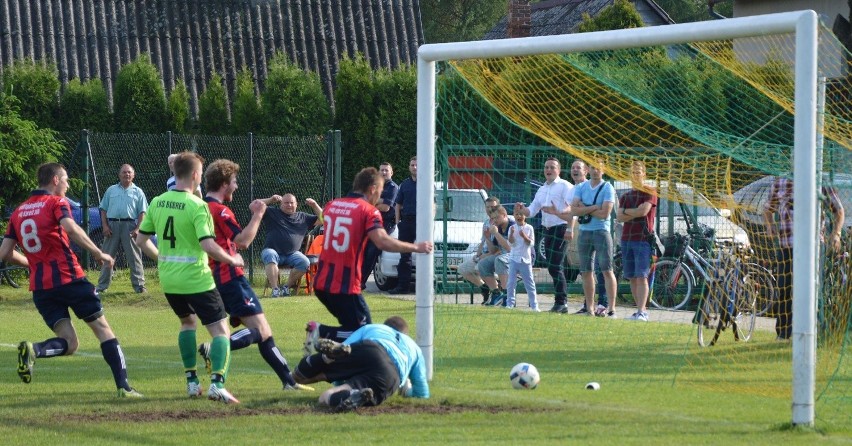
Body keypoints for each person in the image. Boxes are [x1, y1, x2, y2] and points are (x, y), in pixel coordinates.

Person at [0, 163, 142, 397]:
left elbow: (5, 253)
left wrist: (31, 263)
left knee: (70, 343)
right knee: (103, 330)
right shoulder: (56, 203)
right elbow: (71, 228)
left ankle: (34, 350)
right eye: (65, 179)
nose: (67, 185)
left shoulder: (18, 212)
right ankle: (124, 388)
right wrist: (98, 253)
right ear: (55, 180)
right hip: (70, 279)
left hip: (42, 288)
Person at [135, 151, 245, 404]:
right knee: (221, 331)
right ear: (196, 175)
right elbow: (208, 245)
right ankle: (217, 384)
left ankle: (192, 382)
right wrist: (232, 259)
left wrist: (162, 257)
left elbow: (141, 240)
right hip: (196, 278)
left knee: (187, 324)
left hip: (170, 279)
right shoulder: (198, 206)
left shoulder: (158, 201)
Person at [196, 159, 313, 392]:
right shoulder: (219, 210)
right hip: (230, 277)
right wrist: (258, 214)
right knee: (260, 331)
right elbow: (243, 241)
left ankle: (288, 382)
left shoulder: (199, 207)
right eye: (234, 181)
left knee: (264, 331)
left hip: (208, 277)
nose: (236, 186)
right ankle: (217, 348)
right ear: (224, 183)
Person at [304, 167, 433, 352]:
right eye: (379, 192)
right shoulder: (368, 211)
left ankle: (332, 355)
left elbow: (325, 218)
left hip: (323, 283)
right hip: (345, 285)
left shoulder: (333, 205)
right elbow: (382, 241)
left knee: (352, 331)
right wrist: (416, 247)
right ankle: (319, 332)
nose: (378, 197)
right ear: (372, 189)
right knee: (365, 332)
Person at [763, 176, 844, 340]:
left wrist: (836, 233)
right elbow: (767, 208)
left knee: (812, 289)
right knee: (784, 288)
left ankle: (812, 331)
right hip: (787, 246)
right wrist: (770, 225)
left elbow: (839, 211)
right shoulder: (780, 182)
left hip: (812, 246)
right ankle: (784, 334)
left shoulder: (820, 181)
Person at [294, 316, 429, 412]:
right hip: (392, 375)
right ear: (405, 334)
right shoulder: (415, 348)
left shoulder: (374, 328)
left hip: (371, 347)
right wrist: (406, 391)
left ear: (386, 326)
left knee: (343, 353)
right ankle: (351, 393)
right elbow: (422, 392)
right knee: (325, 397)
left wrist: (337, 377)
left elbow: (349, 346)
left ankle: (326, 357)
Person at [514, 157, 574, 313]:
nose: (548, 170)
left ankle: (562, 302)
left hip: (561, 228)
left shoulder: (565, 186)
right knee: (552, 266)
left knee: (555, 266)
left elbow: (573, 209)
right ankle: (561, 303)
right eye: (546, 167)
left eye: (552, 167)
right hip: (547, 230)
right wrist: (522, 209)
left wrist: (568, 226)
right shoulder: (542, 189)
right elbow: (531, 211)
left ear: (559, 170)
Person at [569, 158, 618, 318]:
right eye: (593, 167)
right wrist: (594, 207)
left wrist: (585, 208)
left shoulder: (608, 187)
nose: (595, 170)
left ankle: (611, 308)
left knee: (606, 270)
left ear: (603, 170)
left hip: (601, 232)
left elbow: (605, 214)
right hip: (584, 232)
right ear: (588, 170)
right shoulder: (582, 187)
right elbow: (574, 210)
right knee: (585, 271)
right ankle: (589, 308)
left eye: (599, 167)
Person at [259, 193, 323, 297]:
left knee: (304, 261)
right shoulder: (272, 213)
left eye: (291, 203)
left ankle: (286, 288)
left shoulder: (303, 217)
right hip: (272, 250)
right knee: (270, 255)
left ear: (296, 204)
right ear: (281, 204)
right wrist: (270, 199)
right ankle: (275, 289)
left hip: (292, 254)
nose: (289, 205)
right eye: (286, 203)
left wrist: (315, 205)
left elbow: (324, 219)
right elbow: (254, 205)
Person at [96, 164, 148, 294]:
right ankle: (102, 287)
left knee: (134, 257)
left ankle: (139, 286)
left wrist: (138, 229)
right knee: (107, 256)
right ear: (119, 174)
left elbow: (143, 212)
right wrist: (105, 225)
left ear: (133, 175)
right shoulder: (111, 190)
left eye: (129, 172)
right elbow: (103, 209)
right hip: (112, 226)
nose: (127, 174)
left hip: (130, 227)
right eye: (124, 172)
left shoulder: (138, 192)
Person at [616, 161, 657, 321]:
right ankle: (638, 310)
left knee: (642, 276)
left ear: (644, 174)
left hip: (643, 240)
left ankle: (642, 311)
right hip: (626, 239)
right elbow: (619, 216)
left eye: (638, 172)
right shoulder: (626, 196)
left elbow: (644, 211)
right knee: (632, 277)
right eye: (633, 172)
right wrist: (633, 212)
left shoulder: (650, 192)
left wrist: (627, 212)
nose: (635, 175)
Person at [360, 162, 399, 290]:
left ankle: (361, 282)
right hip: (370, 222)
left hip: (385, 224)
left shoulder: (393, 187)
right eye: (381, 170)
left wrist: (374, 202)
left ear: (391, 173)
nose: (383, 172)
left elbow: (386, 207)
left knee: (371, 252)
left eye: (386, 170)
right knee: (362, 251)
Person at [457, 196, 502, 304]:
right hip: (484, 254)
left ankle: (497, 292)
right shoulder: (486, 222)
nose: (490, 209)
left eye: (492, 207)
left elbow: (498, 249)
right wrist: (477, 254)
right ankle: (484, 288)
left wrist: (483, 257)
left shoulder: (500, 223)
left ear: (498, 207)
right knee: (462, 268)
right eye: (487, 207)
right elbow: (482, 241)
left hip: (495, 256)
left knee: (479, 267)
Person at [390, 156, 419, 295]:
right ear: (409, 167)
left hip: (421, 223)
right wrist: (398, 222)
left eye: (417, 165)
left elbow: (433, 205)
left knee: (423, 255)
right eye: (412, 165)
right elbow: (398, 204)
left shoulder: (427, 184)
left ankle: (423, 288)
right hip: (406, 223)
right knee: (405, 256)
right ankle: (403, 287)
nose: (414, 167)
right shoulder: (405, 184)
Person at [501, 211, 538, 311]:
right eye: (517, 214)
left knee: (529, 283)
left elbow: (531, 243)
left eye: (521, 214)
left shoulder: (529, 228)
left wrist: (524, 236)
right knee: (511, 282)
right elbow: (511, 243)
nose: (519, 216)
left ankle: (534, 306)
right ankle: (510, 304)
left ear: (525, 216)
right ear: (514, 216)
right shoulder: (511, 228)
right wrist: (512, 234)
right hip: (513, 259)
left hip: (525, 260)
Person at [481, 206, 514, 306]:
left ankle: (507, 295)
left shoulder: (512, 226)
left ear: (504, 215)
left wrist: (496, 233)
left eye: (497, 217)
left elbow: (510, 248)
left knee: (500, 260)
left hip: (518, 255)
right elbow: (494, 250)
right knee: (483, 264)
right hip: (504, 256)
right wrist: (487, 238)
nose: (495, 220)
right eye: (493, 218)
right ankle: (496, 293)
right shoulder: (498, 228)